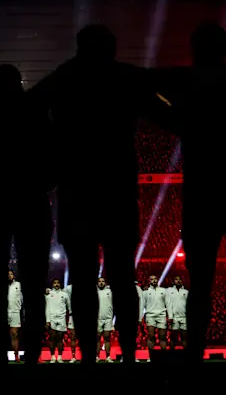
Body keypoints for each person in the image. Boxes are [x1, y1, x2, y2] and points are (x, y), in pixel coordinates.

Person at [29, 24, 171, 364]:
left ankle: (90, 357)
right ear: (112, 48)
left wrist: (55, 145)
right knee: (122, 275)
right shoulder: (124, 76)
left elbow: (30, 106)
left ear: (80, 47)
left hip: (76, 189)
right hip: (117, 189)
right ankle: (127, 355)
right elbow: (163, 110)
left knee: (81, 274)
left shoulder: (66, 75)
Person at [151, 22, 226, 364]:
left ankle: (194, 353)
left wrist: (172, 114)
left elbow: (146, 87)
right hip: (214, 190)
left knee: (200, 284)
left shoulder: (186, 81)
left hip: (201, 196)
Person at [0, 63, 53, 365]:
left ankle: (0, 360)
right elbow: (51, 153)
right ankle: (30, 357)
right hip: (31, 201)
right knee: (33, 287)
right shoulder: (32, 110)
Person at [143, 275, 168, 362]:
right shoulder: (145, 292)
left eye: (155, 278)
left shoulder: (163, 290)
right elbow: (142, 305)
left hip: (162, 315)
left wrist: (170, 315)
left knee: (162, 336)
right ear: (149, 281)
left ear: (157, 280)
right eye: (152, 279)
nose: (154, 280)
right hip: (150, 315)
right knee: (151, 336)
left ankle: (164, 357)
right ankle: (151, 356)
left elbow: (167, 303)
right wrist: (140, 317)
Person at [45, 278, 70, 363]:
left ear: (60, 284)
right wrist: (47, 320)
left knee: (60, 339)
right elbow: (47, 308)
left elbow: (69, 307)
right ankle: (52, 357)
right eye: (55, 283)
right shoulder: (48, 294)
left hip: (61, 318)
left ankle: (59, 357)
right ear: (52, 284)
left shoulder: (64, 294)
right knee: (52, 338)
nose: (56, 284)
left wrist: (70, 317)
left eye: (58, 283)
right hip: (52, 318)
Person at [166, 275, 188, 349]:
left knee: (184, 338)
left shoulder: (186, 292)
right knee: (173, 338)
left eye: (180, 279)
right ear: (173, 281)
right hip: (174, 318)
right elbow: (159, 290)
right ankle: (171, 356)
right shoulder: (169, 290)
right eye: (176, 279)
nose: (178, 281)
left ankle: (186, 357)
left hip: (184, 317)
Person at [96, 277, 114, 362]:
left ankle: (108, 357)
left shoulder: (110, 291)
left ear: (105, 283)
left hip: (108, 318)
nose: (101, 283)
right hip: (98, 318)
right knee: (97, 338)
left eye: (103, 281)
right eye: (99, 281)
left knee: (107, 338)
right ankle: (97, 356)